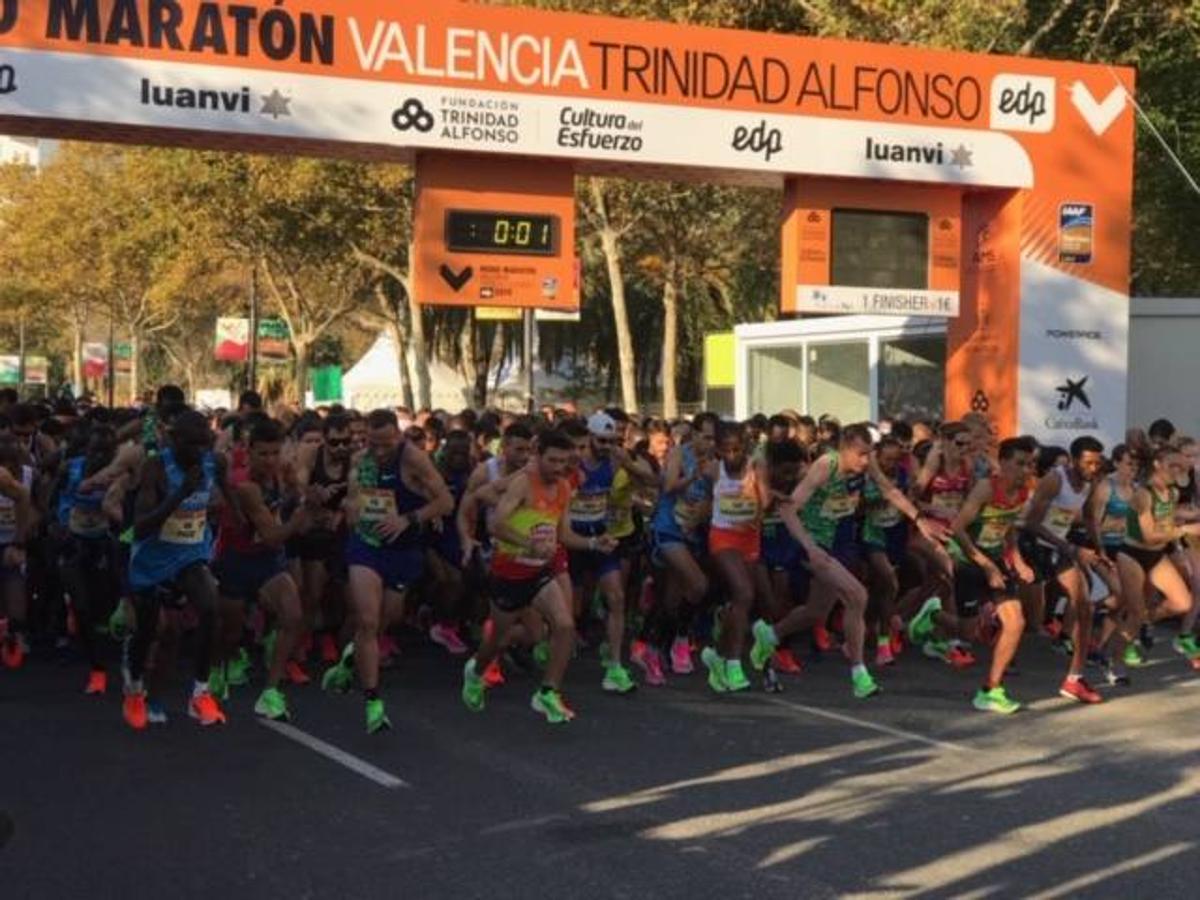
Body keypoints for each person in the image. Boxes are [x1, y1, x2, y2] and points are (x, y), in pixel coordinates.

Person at [751, 424, 946, 699]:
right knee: (857, 595)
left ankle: (768, 635)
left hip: (837, 541)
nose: (867, 461)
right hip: (810, 541)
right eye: (861, 455)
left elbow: (890, 491)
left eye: (869, 455)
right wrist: (809, 547)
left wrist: (919, 519)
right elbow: (788, 509)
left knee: (817, 612)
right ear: (844, 450)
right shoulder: (824, 466)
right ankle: (859, 675)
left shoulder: (867, 466)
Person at [461, 429, 617, 724]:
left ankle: (547, 692)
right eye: (552, 461)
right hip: (509, 571)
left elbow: (564, 535)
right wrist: (527, 543)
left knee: (565, 624)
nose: (559, 468)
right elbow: (496, 526)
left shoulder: (563, 488)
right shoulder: (523, 483)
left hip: (540, 571)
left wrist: (596, 543)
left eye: (564, 461)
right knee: (498, 638)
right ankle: (476, 671)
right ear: (538, 457)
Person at [322, 409, 453, 734]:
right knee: (367, 619)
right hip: (366, 545)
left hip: (403, 548)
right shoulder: (361, 460)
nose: (379, 451)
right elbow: (353, 501)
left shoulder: (415, 460)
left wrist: (407, 519)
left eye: (386, 444)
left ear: (398, 436)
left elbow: (446, 502)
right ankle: (373, 701)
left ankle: (350, 658)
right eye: (373, 443)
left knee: (386, 618)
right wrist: (349, 509)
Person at [123, 410, 228, 730]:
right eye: (192, 445)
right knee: (148, 629)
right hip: (153, 558)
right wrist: (181, 494)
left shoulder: (214, 462)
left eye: (204, 444)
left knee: (210, 606)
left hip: (190, 554)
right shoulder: (156, 467)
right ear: (175, 441)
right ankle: (136, 689)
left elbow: (222, 497)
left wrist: (222, 509)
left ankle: (200, 693)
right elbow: (140, 528)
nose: (199, 451)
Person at [212, 419, 318, 722]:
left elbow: (291, 517)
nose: (270, 460)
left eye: (275, 453)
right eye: (263, 454)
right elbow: (274, 533)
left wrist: (304, 495)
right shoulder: (245, 486)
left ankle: (270, 691)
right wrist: (302, 514)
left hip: (267, 559)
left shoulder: (281, 476)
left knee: (293, 615)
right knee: (229, 631)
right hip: (234, 559)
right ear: (249, 451)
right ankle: (222, 664)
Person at [948, 437, 1037, 714]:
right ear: (1003, 462)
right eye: (1020, 463)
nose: (1026, 470)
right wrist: (985, 565)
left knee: (1015, 621)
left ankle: (991, 689)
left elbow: (1008, 527)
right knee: (969, 631)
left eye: (1030, 464)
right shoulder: (986, 488)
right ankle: (933, 617)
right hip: (968, 558)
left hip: (996, 559)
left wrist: (1018, 560)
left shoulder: (1022, 492)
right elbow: (958, 529)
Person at [1020, 436, 1108, 704]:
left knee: (1084, 604)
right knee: (1029, 621)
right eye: (1088, 462)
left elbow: (1091, 517)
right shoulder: (1054, 480)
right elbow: (1032, 523)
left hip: (1059, 548)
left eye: (1097, 463)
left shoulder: (1090, 483)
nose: (1093, 468)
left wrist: (1100, 549)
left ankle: (1074, 679)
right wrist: (1070, 549)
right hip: (1031, 544)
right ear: (1073, 460)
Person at [53, 423, 123, 694]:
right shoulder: (70, 468)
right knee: (81, 604)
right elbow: (52, 499)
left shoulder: (121, 474)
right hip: (73, 541)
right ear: (87, 449)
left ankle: (97, 642)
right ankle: (97, 670)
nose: (99, 458)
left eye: (106, 453)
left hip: (106, 543)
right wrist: (55, 524)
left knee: (102, 605)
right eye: (95, 451)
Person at [701, 421, 770, 693]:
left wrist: (757, 510)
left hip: (749, 537)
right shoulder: (713, 470)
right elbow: (705, 499)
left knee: (741, 602)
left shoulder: (756, 466)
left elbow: (765, 502)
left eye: (737, 449)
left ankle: (718, 655)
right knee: (743, 593)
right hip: (723, 536)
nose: (732, 455)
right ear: (718, 449)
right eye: (727, 450)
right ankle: (733, 662)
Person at [0, 439, 33, 669]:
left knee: (14, 583)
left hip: (10, 541)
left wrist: (20, 541)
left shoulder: (12, 477)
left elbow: (25, 498)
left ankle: (16, 635)